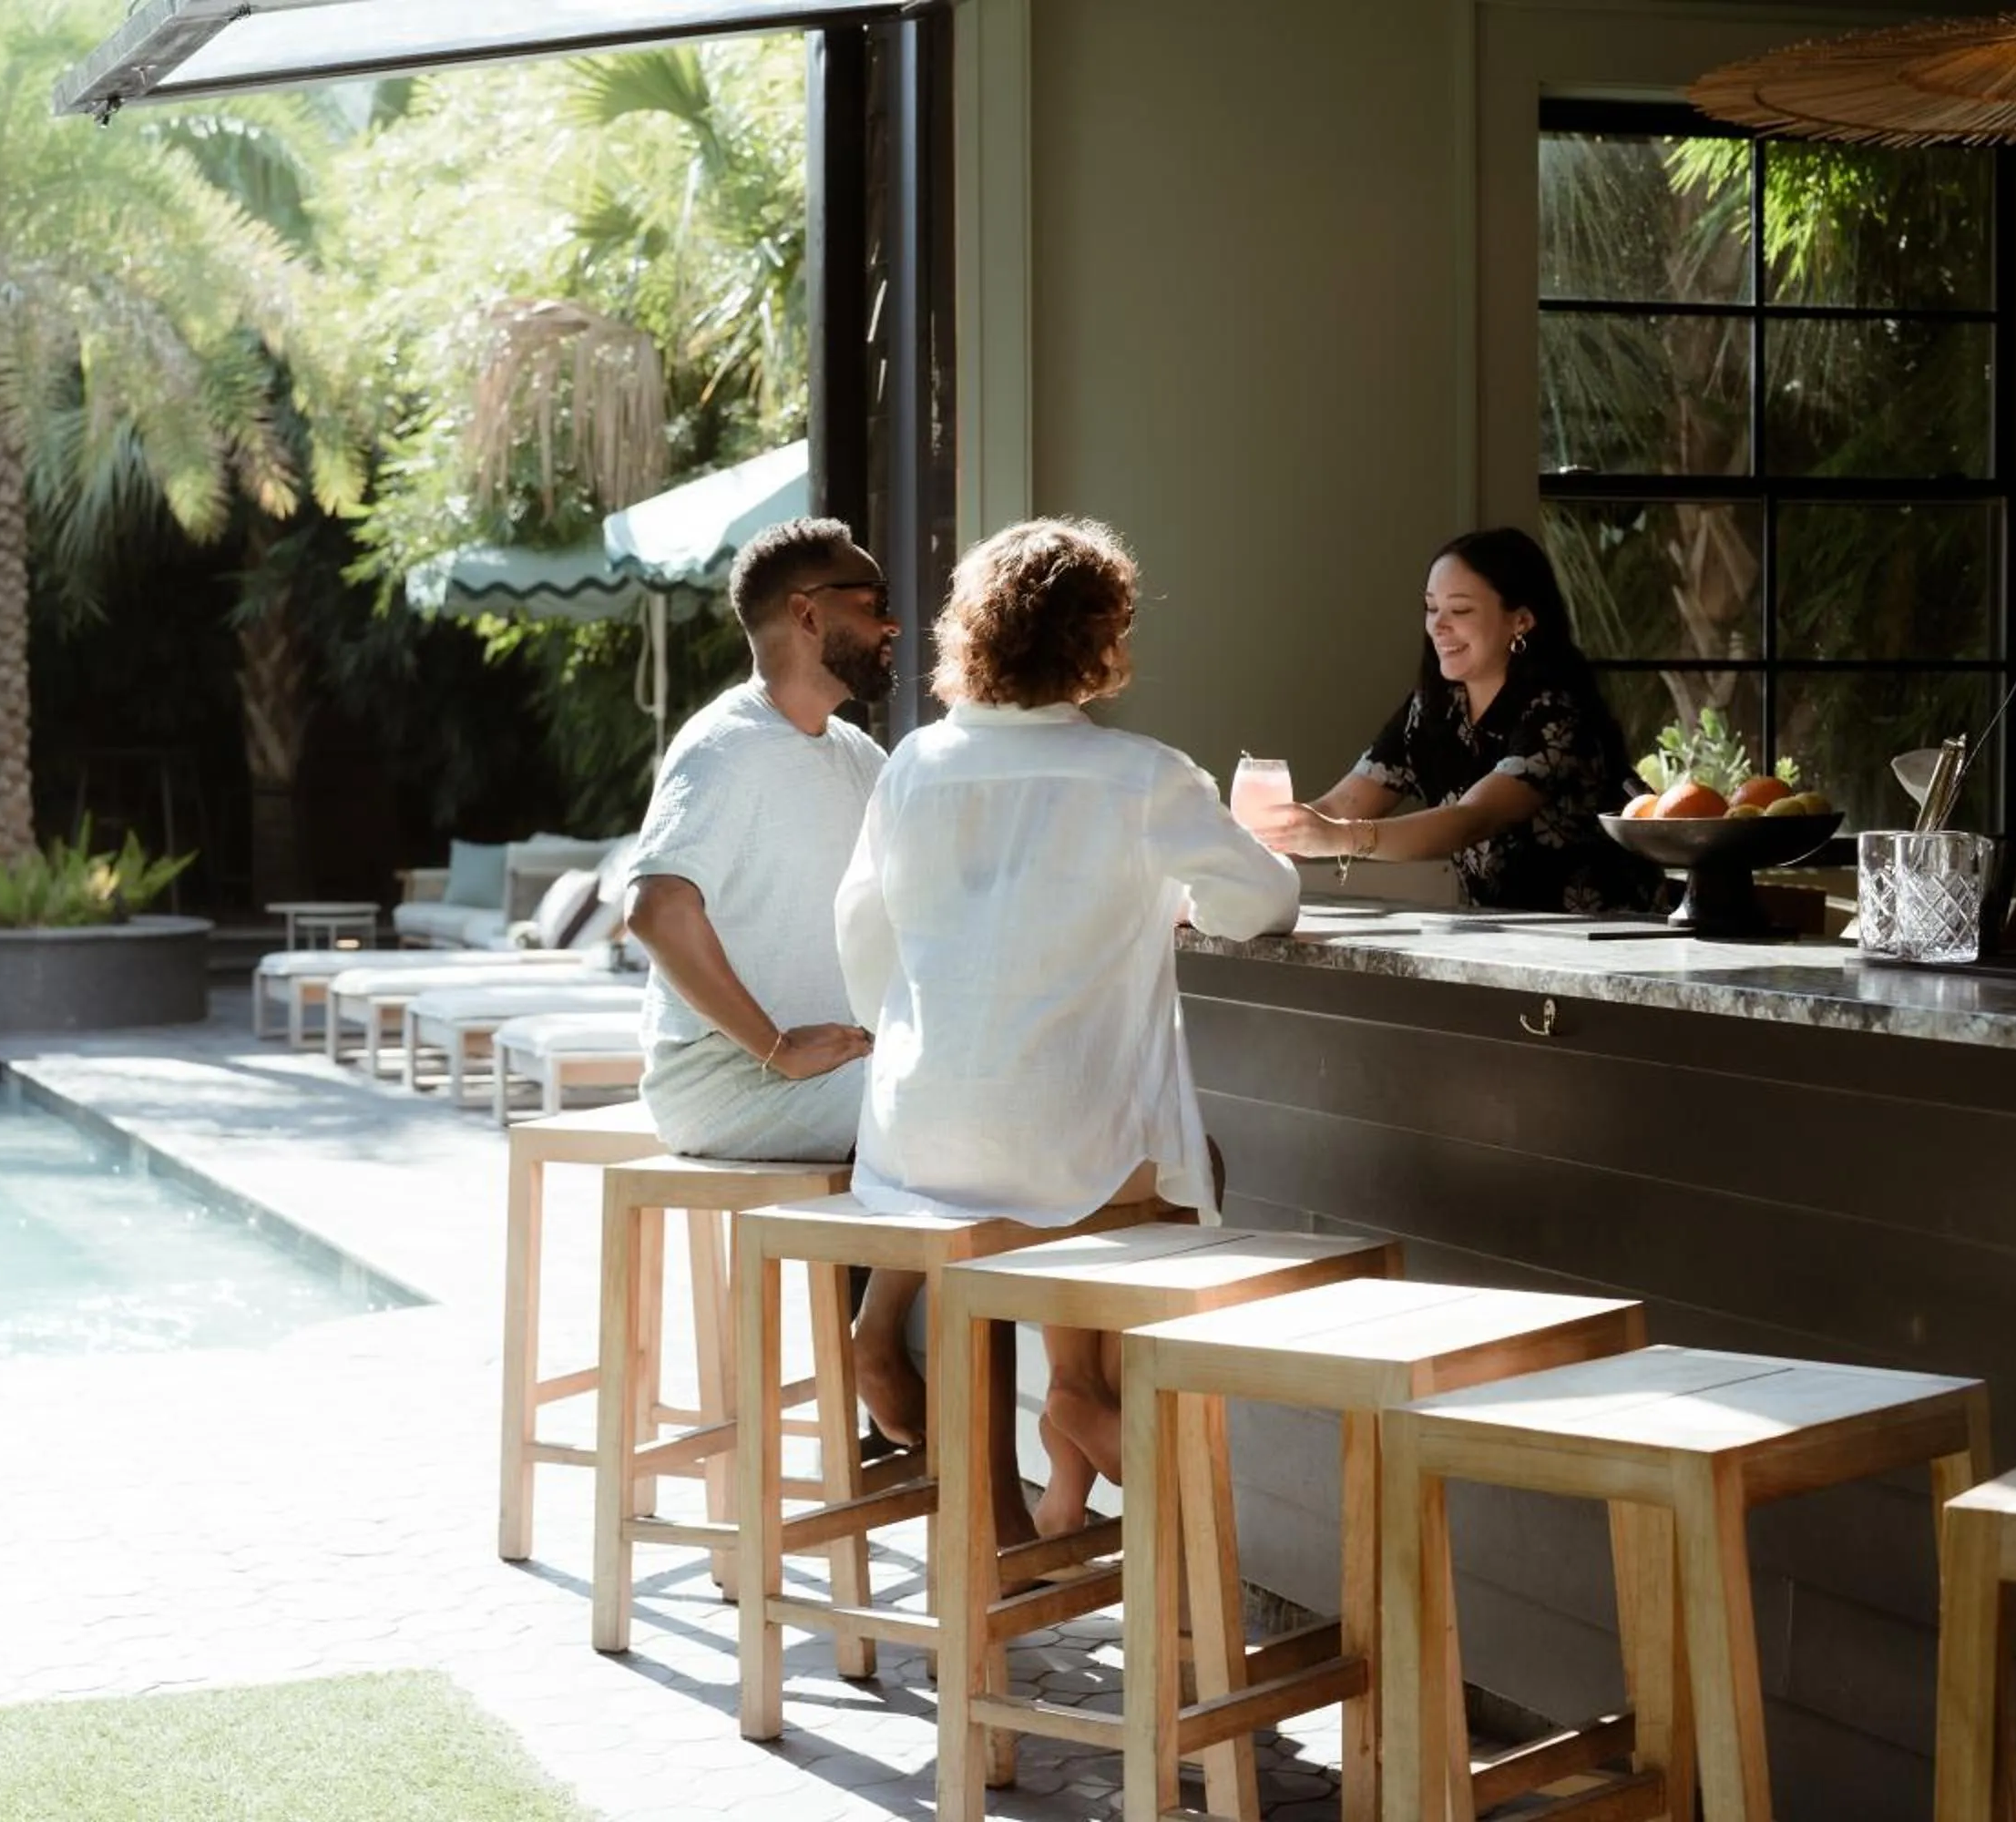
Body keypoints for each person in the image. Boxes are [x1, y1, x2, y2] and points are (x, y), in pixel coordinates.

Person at [834, 517, 1300, 1537]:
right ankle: (1096, 1416)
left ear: (976, 635)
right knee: (1178, 1169)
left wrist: (943, 1030)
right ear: (1101, 642)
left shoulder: (912, 764)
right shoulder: (1146, 776)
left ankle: (1024, 1488)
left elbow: (862, 940)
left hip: (919, 1139)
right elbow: (1262, 901)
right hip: (1067, 1153)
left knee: (1063, 1152)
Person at [623, 516, 895, 1166]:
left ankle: (910, 1272)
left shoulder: (859, 755)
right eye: (873, 602)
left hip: (841, 1071)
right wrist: (778, 1048)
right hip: (730, 1084)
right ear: (806, 613)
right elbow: (656, 907)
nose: (893, 625)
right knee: (954, 1111)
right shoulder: (725, 747)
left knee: (1006, 1090)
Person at [1243, 527, 1663, 916]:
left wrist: (1341, 838)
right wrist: (1250, 839)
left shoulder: (1558, 714)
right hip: (1507, 944)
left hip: (1610, 942)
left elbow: (1473, 819)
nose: (1438, 627)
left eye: (1459, 610)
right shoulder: (1432, 708)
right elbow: (1340, 806)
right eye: (1431, 608)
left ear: (1521, 620)